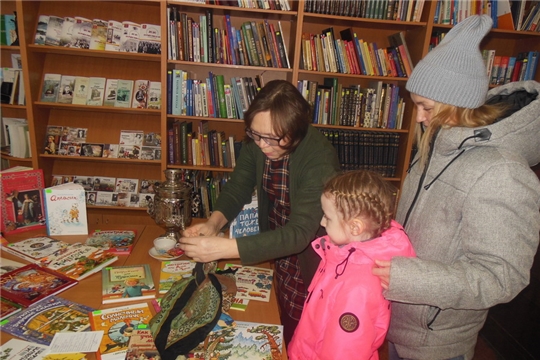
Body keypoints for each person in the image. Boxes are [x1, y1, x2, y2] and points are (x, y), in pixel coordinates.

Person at [372, 15, 540, 360]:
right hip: (396, 319)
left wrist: (408, 278)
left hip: (437, 344)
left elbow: (502, 277)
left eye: (426, 107)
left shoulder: (501, 172)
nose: (418, 117)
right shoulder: (435, 147)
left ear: (456, 103)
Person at [179, 79, 340, 344]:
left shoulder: (319, 160)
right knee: (277, 318)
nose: (262, 145)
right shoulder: (259, 140)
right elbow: (238, 187)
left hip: (311, 258)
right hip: (276, 247)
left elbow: (299, 235)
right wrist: (214, 224)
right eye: (255, 135)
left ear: (296, 132)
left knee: (304, 332)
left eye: (271, 138)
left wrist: (223, 248)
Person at [288, 170, 415, 360]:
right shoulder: (339, 254)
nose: (322, 222)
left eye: (328, 218)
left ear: (355, 227)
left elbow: (346, 350)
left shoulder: (359, 286)